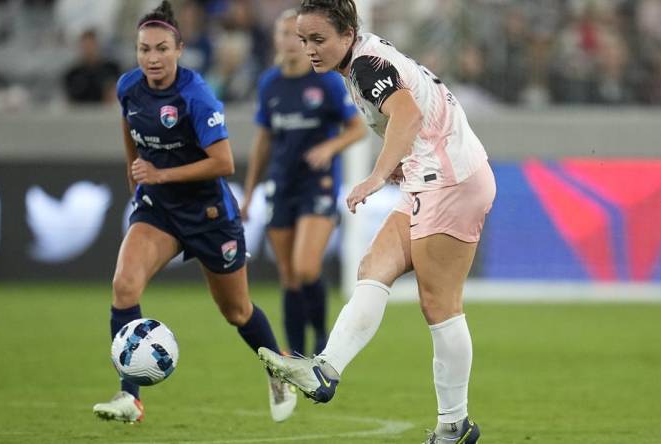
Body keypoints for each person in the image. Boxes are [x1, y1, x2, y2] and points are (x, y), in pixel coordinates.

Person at [258, 1, 495, 443]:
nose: (308, 49)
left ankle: (454, 425)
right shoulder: (362, 61)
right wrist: (402, 162)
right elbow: (418, 114)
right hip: (434, 175)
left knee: (439, 304)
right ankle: (325, 370)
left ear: (347, 34)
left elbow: (408, 115)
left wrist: (376, 175)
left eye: (318, 40)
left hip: (451, 180)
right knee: (374, 268)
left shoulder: (366, 65)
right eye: (303, 39)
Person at [92, 0, 296, 424]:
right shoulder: (129, 86)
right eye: (144, 49)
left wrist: (160, 175)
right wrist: (137, 173)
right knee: (124, 287)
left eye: (161, 49)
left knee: (236, 312)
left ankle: (279, 368)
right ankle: (131, 398)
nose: (152, 58)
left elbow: (224, 163)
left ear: (179, 49)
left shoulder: (195, 95)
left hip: (208, 215)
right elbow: (128, 125)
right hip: (160, 212)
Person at [241, 9, 365, 357]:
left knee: (306, 267)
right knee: (289, 276)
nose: (292, 43)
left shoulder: (324, 80)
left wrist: (329, 146)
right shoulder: (269, 83)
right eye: (285, 35)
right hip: (281, 184)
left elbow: (355, 129)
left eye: (300, 37)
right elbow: (264, 140)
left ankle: (323, 338)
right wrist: (249, 194)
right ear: (276, 40)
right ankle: (296, 356)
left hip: (318, 184)